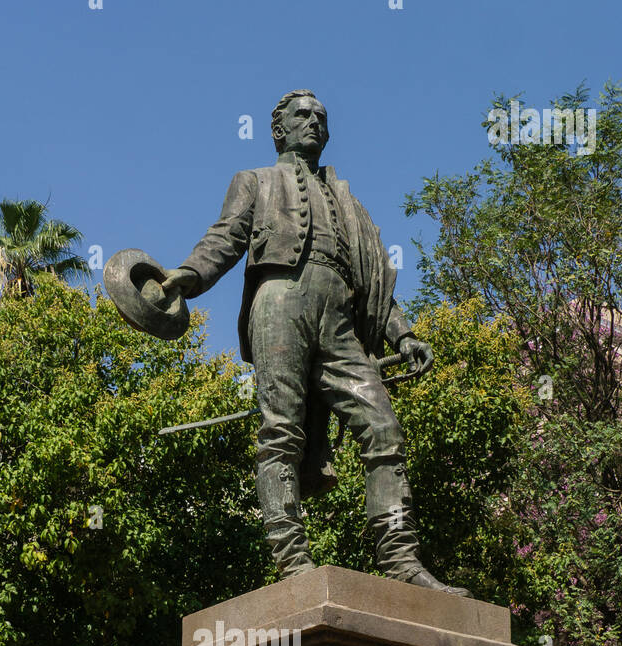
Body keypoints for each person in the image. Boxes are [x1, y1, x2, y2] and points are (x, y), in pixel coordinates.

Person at [160, 89, 469, 594]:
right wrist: (187, 276)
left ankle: (402, 562)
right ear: (278, 129)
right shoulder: (255, 181)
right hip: (279, 300)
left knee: (383, 428)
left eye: (321, 117)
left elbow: (371, 278)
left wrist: (403, 332)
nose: (314, 123)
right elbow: (223, 239)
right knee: (280, 430)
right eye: (302, 115)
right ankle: (293, 562)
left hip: (340, 315)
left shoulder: (346, 200)